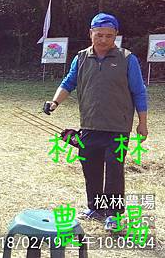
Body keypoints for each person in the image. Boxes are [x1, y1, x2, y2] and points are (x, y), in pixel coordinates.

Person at [44, 12, 148, 231]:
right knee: (90, 167)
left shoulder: (127, 59)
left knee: (114, 169)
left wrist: (142, 122)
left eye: (109, 36)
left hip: (117, 128)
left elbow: (139, 92)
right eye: (99, 35)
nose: (103, 40)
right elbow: (69, 82)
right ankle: (96, 207)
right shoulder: (81, 58)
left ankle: (114, 215)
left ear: (116, 36)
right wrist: (54, 103)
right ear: (90, 33)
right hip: (89, 125)